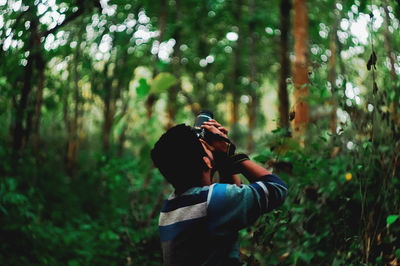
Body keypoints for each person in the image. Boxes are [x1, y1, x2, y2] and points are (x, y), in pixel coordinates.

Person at [150, 119, 287, 265]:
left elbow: (231, 196)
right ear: (206, 162)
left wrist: (222, 159)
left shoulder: (168, 210)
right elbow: (277, 188)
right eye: (208, 149)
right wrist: (228, 151)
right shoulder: (213, 201)